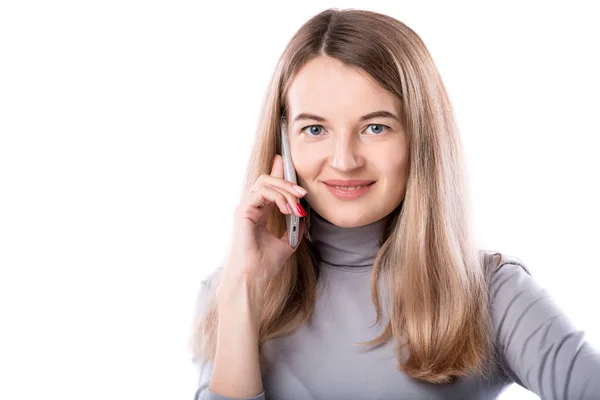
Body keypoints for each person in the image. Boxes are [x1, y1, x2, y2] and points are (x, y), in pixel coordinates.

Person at [188, 8, 600, 400]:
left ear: (420, 137)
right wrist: (243, 290)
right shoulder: (229, 290)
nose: (345, 161)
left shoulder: (491, 293)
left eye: (375, 127)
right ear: (283, 142)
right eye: (315, 128)